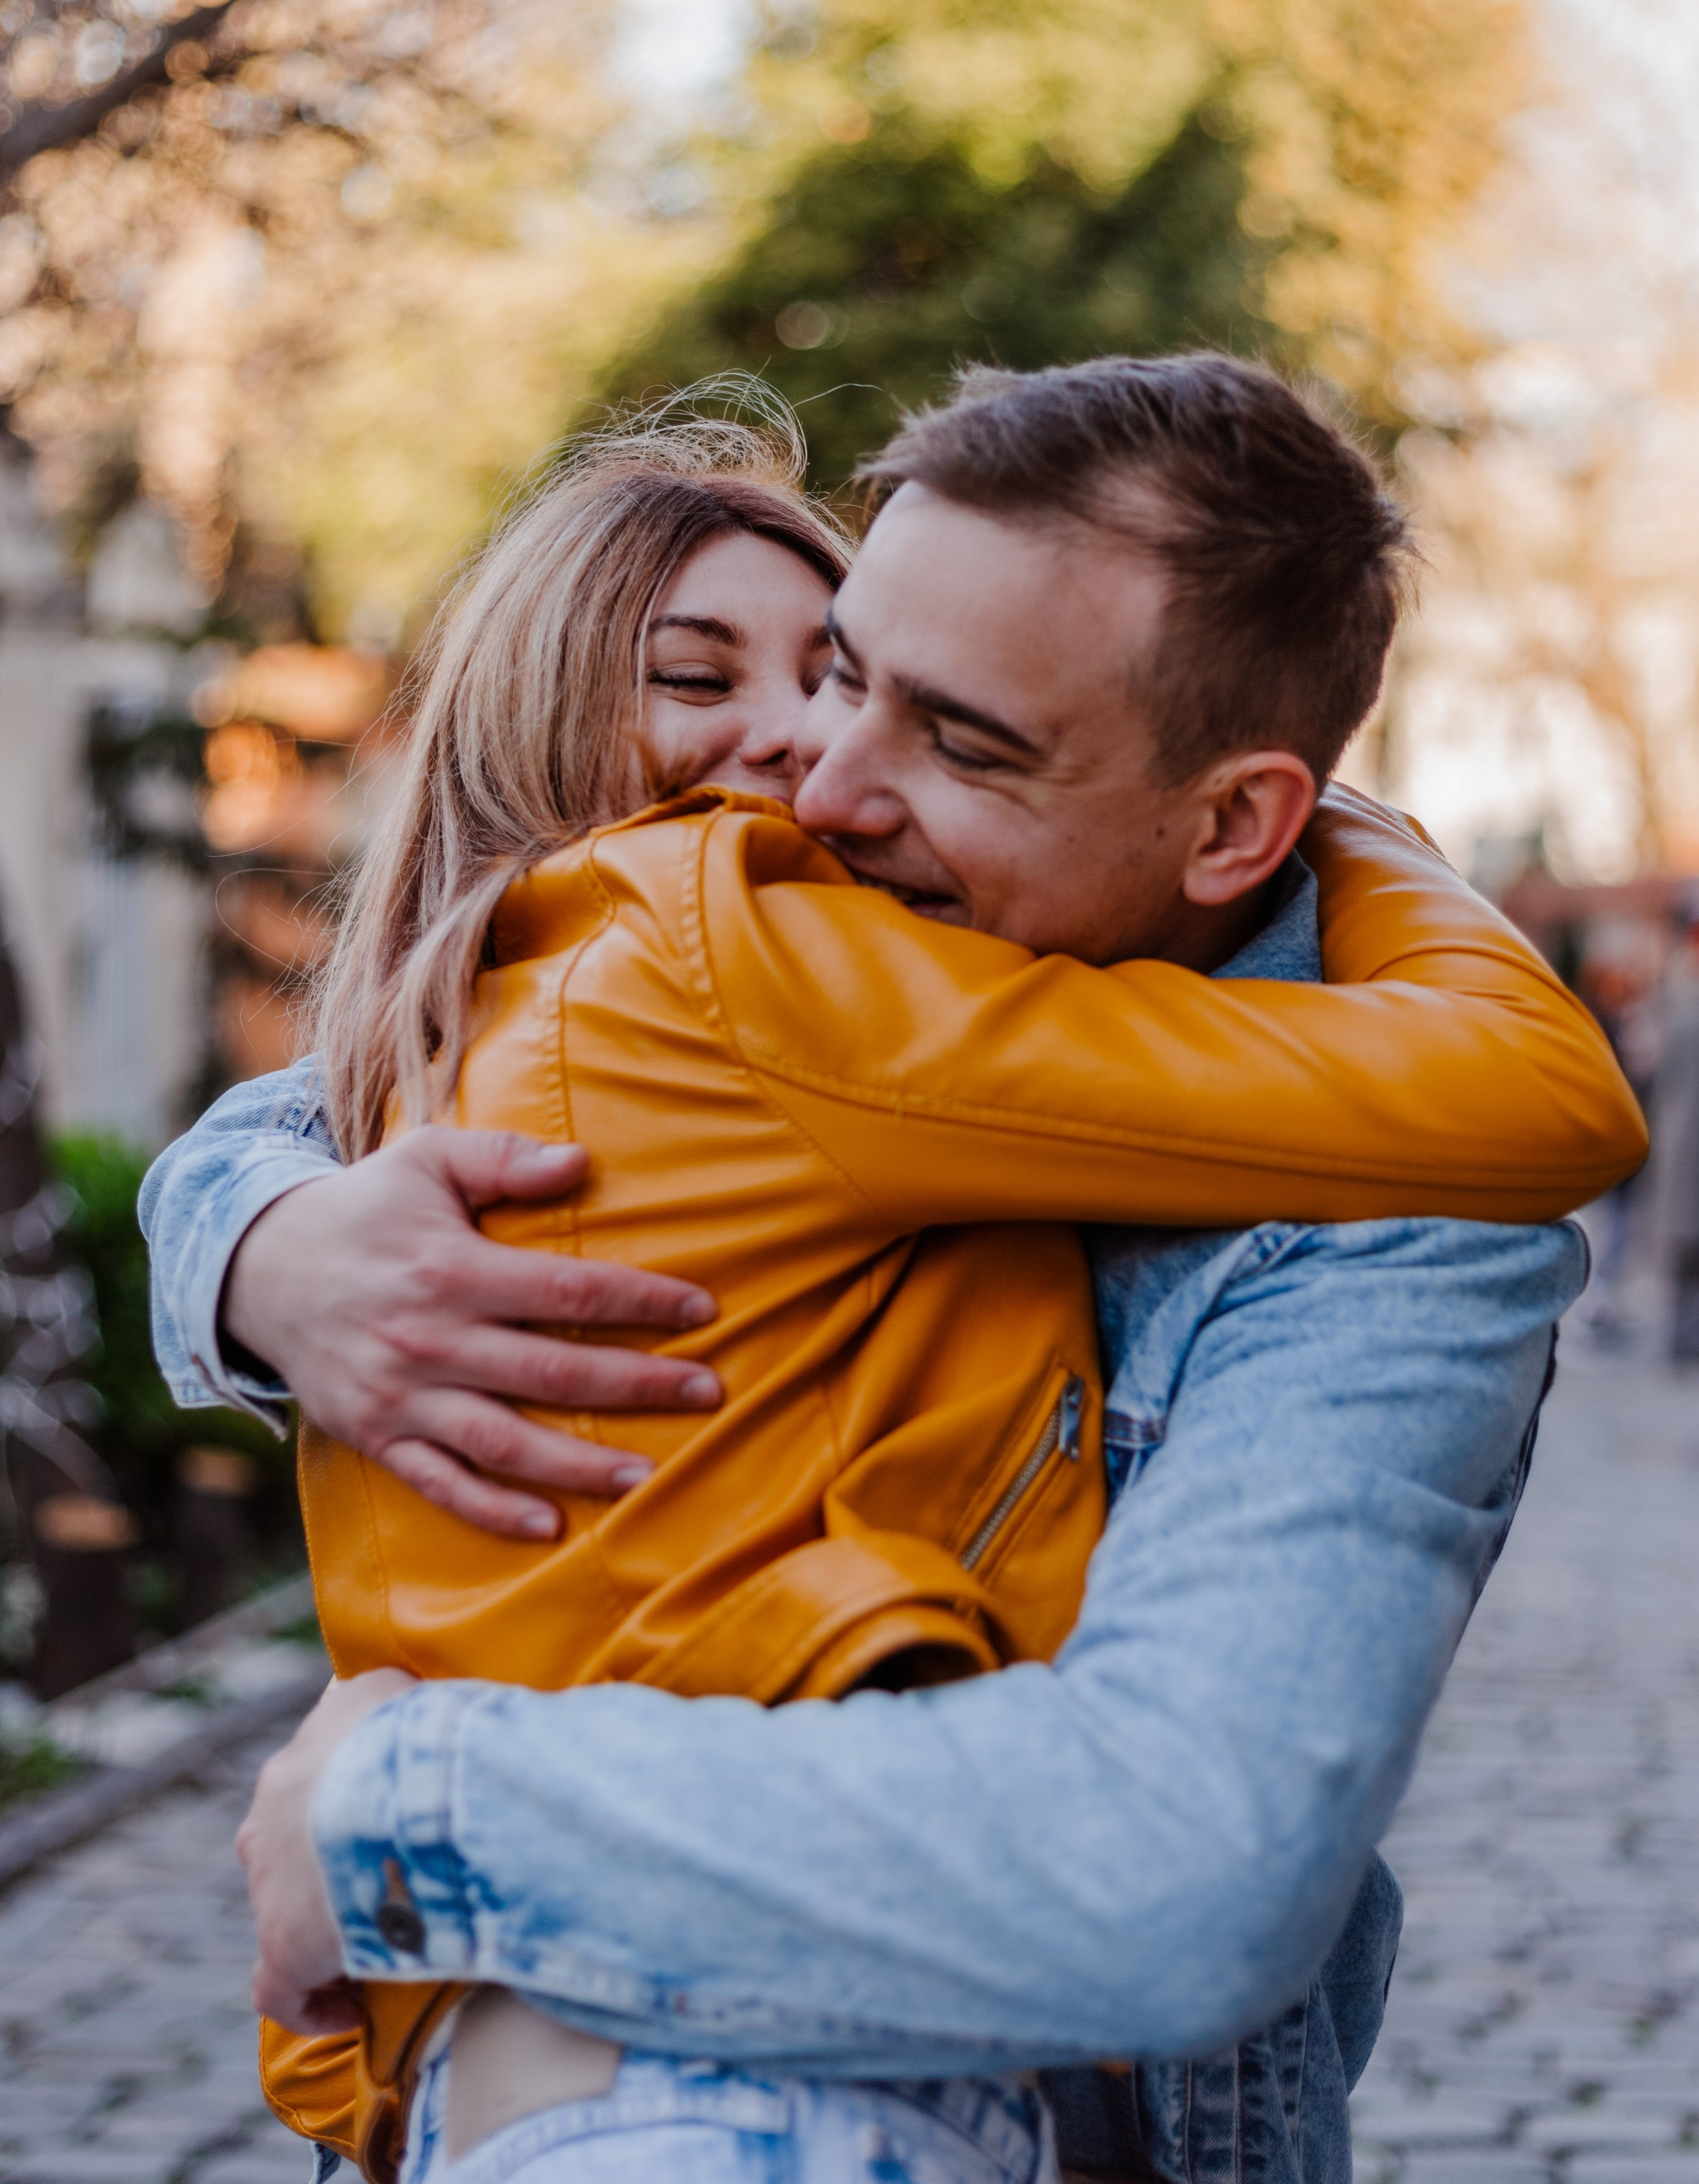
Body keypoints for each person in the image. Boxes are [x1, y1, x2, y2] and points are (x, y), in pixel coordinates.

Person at [143, 359, 1644, 2184]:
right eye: (845, 674)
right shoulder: (745, 948)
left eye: (963, 739)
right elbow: (323, 1092)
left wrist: (410, 1807)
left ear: (1229, 823)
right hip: (648, 2092)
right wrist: (246, 1234)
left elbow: (1178, 1870)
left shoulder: (1387, 1223)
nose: (816, 773)